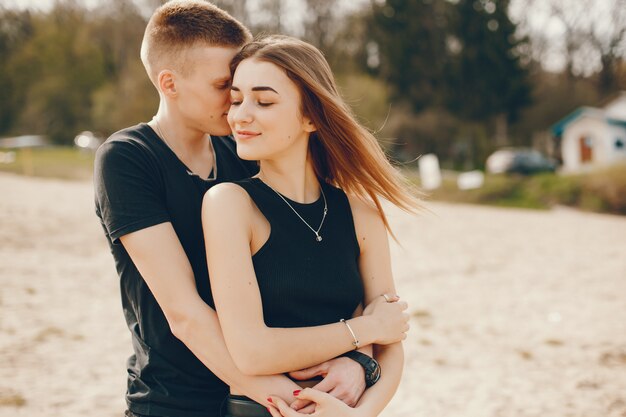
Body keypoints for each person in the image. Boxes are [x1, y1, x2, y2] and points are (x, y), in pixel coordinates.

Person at [93, 2, 408, 416]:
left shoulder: (243, 150)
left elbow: (337, 281)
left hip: (262, 393)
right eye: (226, 86)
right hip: (177, 397)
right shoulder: (129, 158)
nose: (236, 107)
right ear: (169, 83)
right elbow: (186, 315)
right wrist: (293, 402)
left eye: (250, 94)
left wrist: (359, 363)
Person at [202, 35, 421, 417]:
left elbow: (392, 345)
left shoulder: (361, 212)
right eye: (236, 99)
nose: (239, 115)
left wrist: (360, 413)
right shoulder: (229, 205)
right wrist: (363, 333)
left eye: (264, 101)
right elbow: (251, 351)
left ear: (310, 117)